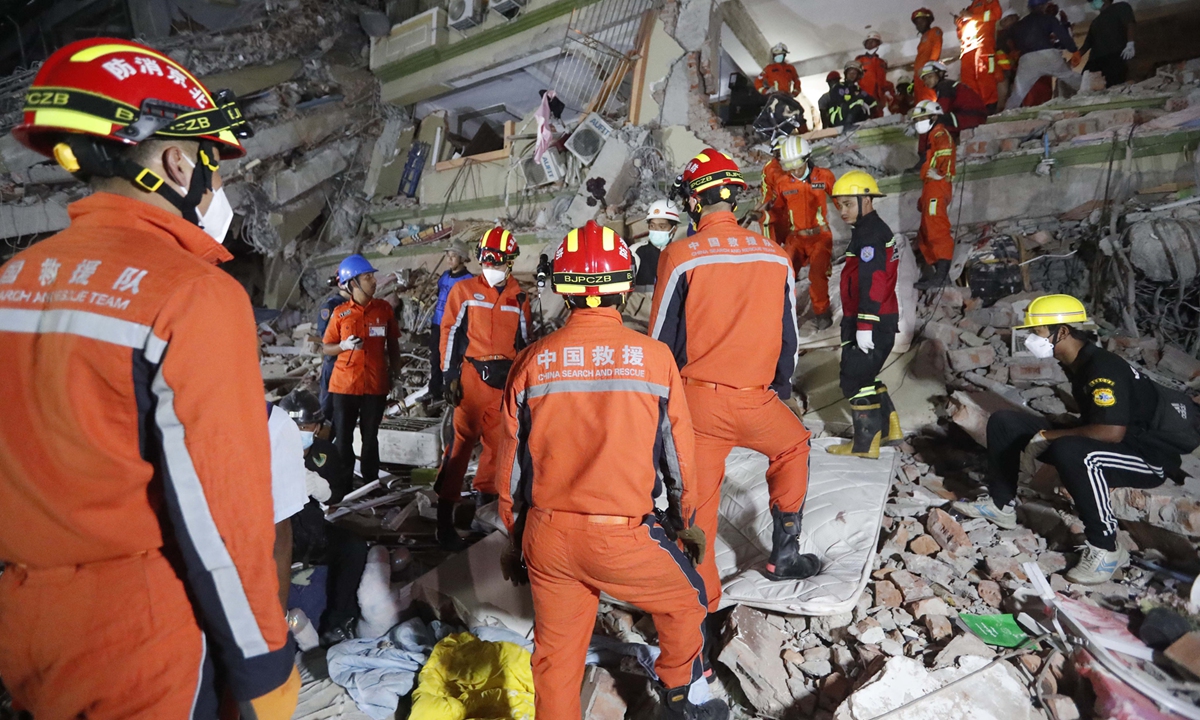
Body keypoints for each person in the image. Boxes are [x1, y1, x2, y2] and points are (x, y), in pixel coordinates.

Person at [0, 37, 298, 719]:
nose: (216, 190)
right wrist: (263, 668)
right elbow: (222, 518)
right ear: (175, 162)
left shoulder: (13, 280)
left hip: (28, 623)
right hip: (145, 640)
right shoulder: (192, 294)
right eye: (213, 169)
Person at [495, 220, 728, 720]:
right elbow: (679, 459)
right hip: (621, 539)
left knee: (556, 659)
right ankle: (681, 699)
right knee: (689, 600)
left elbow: (510, 466)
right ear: (625, 286)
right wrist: (684, 522)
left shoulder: (531, 362)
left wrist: (515, 539)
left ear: (563, 289)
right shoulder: (655, 359)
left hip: (548, 538)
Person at [650, 148, 821, 618]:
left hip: (698, 405)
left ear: (693, 201)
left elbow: (661, 341)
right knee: (793, 446)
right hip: (757, 399)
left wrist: (661, 410)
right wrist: (778, 392)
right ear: (735, 197)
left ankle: (700, 608)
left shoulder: (679, 256)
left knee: (698, 507)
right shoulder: (775, 255)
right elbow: (789, 336)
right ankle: (785, 554)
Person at [953, 295, 1187, 584]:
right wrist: (1056, 430)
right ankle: (1001, 505)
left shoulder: (1102, 368)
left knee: (1071, 450)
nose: (1031, 338)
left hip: (1146, 458)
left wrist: (1048, 435)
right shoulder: (1077, 362)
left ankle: (1105, 547)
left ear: (1062, 331)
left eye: (1037, 331)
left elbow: (1111, 432)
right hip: (1116, 442)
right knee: (1005, 422)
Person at [436, 227, 532, 550]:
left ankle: (484, 511)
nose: (490, 266)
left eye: (497, 261)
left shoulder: (519, 297)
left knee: (499, 446)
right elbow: (450, 332)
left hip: (504, 381)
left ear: (510, 262)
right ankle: (444, 518)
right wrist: (449, 374)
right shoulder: (463, 291)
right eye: (486, 261)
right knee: (460, 446)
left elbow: (525, 343)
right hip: (471, 379)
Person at [277, 389, 368, 645]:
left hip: (313, 528)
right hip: (281, 529)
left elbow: (336, 494)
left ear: (316, 427)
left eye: (304, 426)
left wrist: (323, 489)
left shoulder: (325, 453)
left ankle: (337, 623)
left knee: (353, 547)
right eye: (292, 427)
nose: (298, 432)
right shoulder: (267, 452)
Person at [828, 170, 902, 459]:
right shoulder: (868, 230)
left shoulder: (870, 235)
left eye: (848, 204)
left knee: (854, 379)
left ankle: (865, 444)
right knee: (865, 375)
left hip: (872, 319)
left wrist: (865, 324)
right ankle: (889, 429)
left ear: (867, 200)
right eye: (840, 205)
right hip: (875, 317)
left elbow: (874, 280)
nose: (842, 211)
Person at [322, 254, 402, 489]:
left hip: (375, 384)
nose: (374, 281)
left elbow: (393, 345)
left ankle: (370, 484)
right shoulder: (340, 313)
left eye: (372, 277)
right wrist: (343, 346)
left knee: (370, 437)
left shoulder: (384, 310)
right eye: (368, 277)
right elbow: (326, 347)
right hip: (345, 386)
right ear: (353, 283)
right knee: (343, 437)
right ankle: (343, 487)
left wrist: (397, 376)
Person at [763, 136, 837, 329]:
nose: (795, 171)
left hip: (820, 236)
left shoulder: (824, 177)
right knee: (783, 274)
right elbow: (777, 211)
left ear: (807, 158)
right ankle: (785, 316)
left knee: (817, 276)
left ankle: (822, 313)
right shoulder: (783, 184)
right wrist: (763, 215)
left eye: (798, 166)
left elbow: (841, 200)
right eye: (790, 167)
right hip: (796, 237)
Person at [912, 100, 957, 291]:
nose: (918, 122)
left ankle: (941, 276)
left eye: (921, 118)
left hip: (937, 187)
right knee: (926, 232)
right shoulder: (932, 136)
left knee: (936, 229)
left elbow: (947, 153)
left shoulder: (939, 134)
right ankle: (940, 274)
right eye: (917, 119)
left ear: (934, 116)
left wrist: (942, 174)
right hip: (931, 187)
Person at [1005, 0, 1081, 110]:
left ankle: (1006, 114)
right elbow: (1063, 36)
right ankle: (1094, 93)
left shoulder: (1017, 25)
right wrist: (1074, 50)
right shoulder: (1049, 19)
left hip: (1027, 59)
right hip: (1048, 55)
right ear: (1044, 5)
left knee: (1017, 94)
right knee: (1071, 77)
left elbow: (1011, 42)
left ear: (1029, 8)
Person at [428, 241, 474, 399]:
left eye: (453, 256)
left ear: (462, 258)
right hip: (438, 324)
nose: (449, 259)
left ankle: (452, 390)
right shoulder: (444, 276)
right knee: (435, 357)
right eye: (448, 256)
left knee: (452, 359)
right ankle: (435, 391)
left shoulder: (468, 280)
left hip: (455, 327)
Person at [316, 277, 353, 429]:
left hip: (353, 364)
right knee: (328, 407)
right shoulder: (331, 307)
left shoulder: (358, 305)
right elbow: (326, 338)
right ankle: (323, 436)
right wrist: (343, 345)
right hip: (335, 363)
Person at [1076, 0, 1136, 88]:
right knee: (1086, 86)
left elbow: (1130, 23)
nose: (1092, 3)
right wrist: (1073, 60)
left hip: (1114, 56)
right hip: (1095, 60)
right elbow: (1086, 45)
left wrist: (1130, 43)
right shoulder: (1095, 22)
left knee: (1112, 85)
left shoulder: (1121, 7)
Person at [919, 61, 988, 138]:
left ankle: (944, 143)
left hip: (972, 117)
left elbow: (942, 109)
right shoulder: (947, 85)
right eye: (924, 79)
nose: (927, 81)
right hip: (974, 116)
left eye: (930, 76)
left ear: (940, 74)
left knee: (934, 122)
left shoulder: (945, 86)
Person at [956, 0, 1003, 111]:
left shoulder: (988, 2)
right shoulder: (970, 8)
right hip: (966, 51)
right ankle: (975, 109)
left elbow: (996, 14)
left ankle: (990, 109)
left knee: (985, 79)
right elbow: (961, 35)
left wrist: (972, 16)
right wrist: (959, 24)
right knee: (968, 84)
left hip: (982, 47)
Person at [855, 32, 895, 117]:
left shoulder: (882, 62)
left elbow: (883, 79)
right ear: (865, 45)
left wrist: (887, 92)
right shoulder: (859, 60)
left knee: (881, 117)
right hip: (865, 95)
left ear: (878, 44)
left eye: (873, 41)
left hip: (880, 97)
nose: (870, 43)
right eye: (868, 41)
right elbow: (854, 77)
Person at [829, 61, 878, 128]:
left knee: (867, 101)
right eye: (849, 73)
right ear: (846, 74)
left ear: (858, 75)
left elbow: (871, 101)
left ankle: (867, 122)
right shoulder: (838, 87)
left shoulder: (858, 89)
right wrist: (855, 96)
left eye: (854, 73)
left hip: (851, 117)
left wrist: (870, 113)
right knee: (859, 99)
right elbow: (840, 102)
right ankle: (847, 125)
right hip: (838, 118)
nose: (851, 75)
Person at [912, 8, 944, 104]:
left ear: (929, 20)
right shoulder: (922, 39)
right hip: (919, 76)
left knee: (929, 98)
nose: (919, 25)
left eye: (922, 21)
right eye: (917, 23)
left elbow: (936, 48)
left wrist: (929, 68)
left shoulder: (935, 31)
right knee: (919, 100)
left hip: (927, 73)